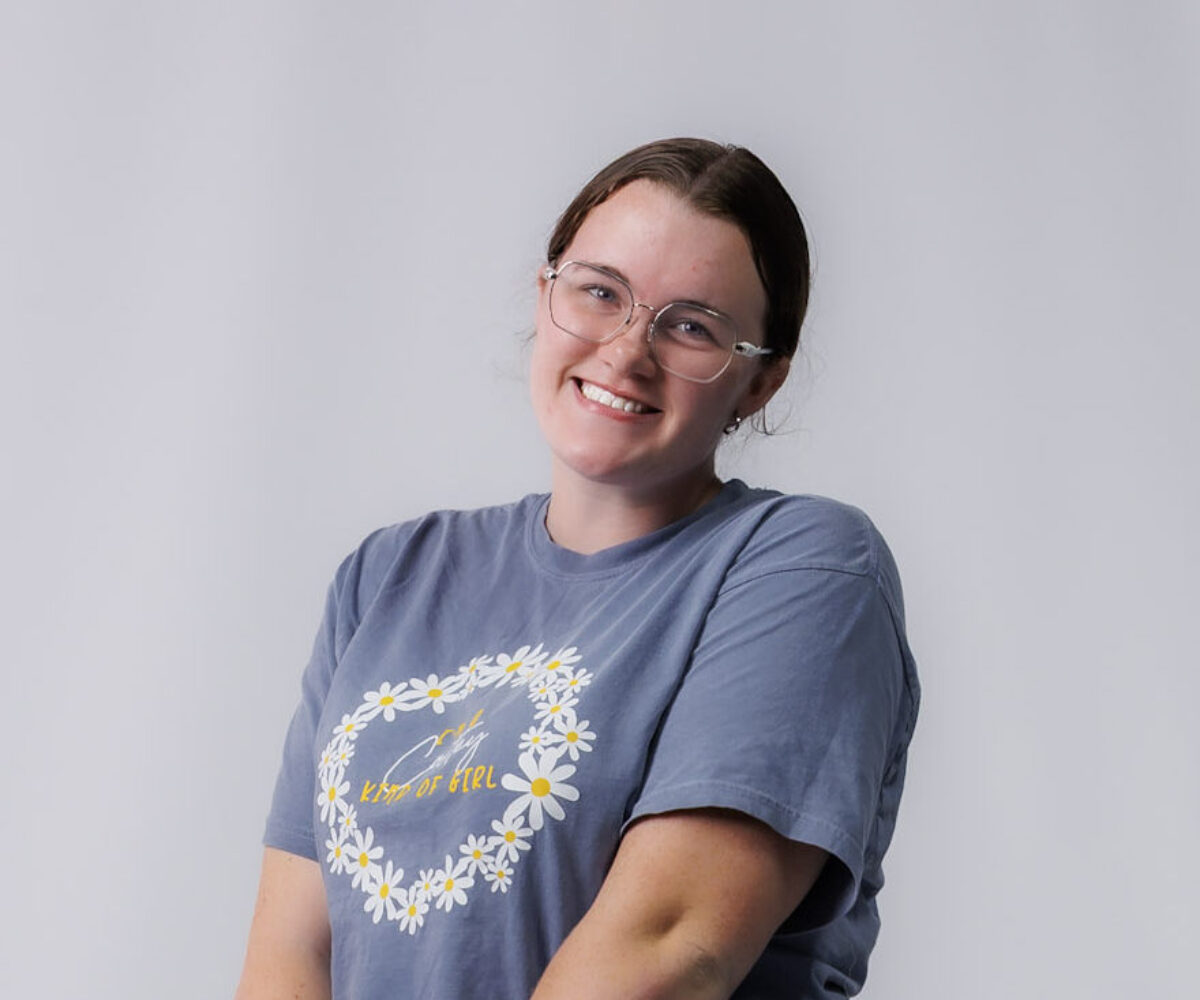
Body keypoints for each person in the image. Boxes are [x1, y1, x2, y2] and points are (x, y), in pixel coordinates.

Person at [235, 137, 920, 1000]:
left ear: (760, 385)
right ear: (545, 294)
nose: (628, 351)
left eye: (693, 326)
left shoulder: (805, 571)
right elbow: (290, 955)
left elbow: (666, 951)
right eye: (600, 292)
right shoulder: (389, 578)